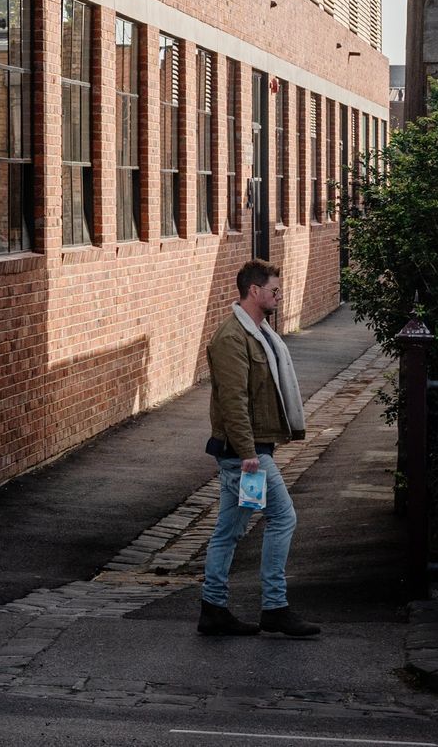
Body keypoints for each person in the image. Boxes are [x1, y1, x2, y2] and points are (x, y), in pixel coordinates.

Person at [197, 259, 320, 638]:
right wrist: (250, 454)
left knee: (229, 530)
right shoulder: (232, 338)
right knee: (283, 518)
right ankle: (275, 607)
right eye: (274, 291)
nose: (278, 297)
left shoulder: (260, 332)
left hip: (251, 450)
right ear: (254, 291)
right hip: (244, 455)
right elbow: (233, 402)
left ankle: (213, 609)